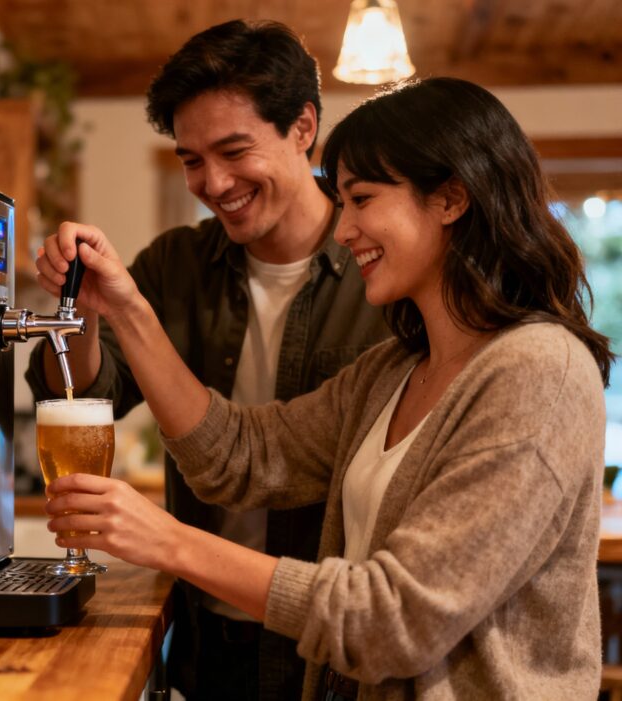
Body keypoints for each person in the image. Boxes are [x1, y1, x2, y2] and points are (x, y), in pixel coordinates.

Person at [37, 77, 613, 700]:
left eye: (362, 199)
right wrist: (126, 309)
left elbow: (390, 621)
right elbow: (240, 456)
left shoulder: (539, 371)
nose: (344, 229)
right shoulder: (393, 370)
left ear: (450, 199)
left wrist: (169, 541)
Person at [27, 20, 388, 700]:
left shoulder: (381, 276)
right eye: (191, 160)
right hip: (203, 630)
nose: (213, 181)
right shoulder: (175, 265)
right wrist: (80, 304)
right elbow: (84, 393)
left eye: (233, 150)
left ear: (303, 126)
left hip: (334, 645)